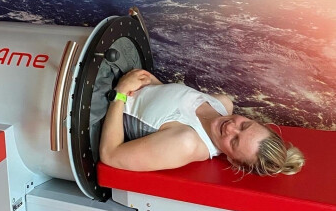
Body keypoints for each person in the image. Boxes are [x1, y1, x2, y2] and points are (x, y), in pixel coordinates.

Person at [99, 69, 305, 176]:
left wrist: (121, 92)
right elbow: (164, 102)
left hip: (98, 106)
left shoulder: (186, 143)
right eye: (244, 125)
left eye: (234, 141)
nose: (231, 127)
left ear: (233, 161)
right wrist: (149, 81)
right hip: (114, 82)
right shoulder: (222, 104)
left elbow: (111, 154)